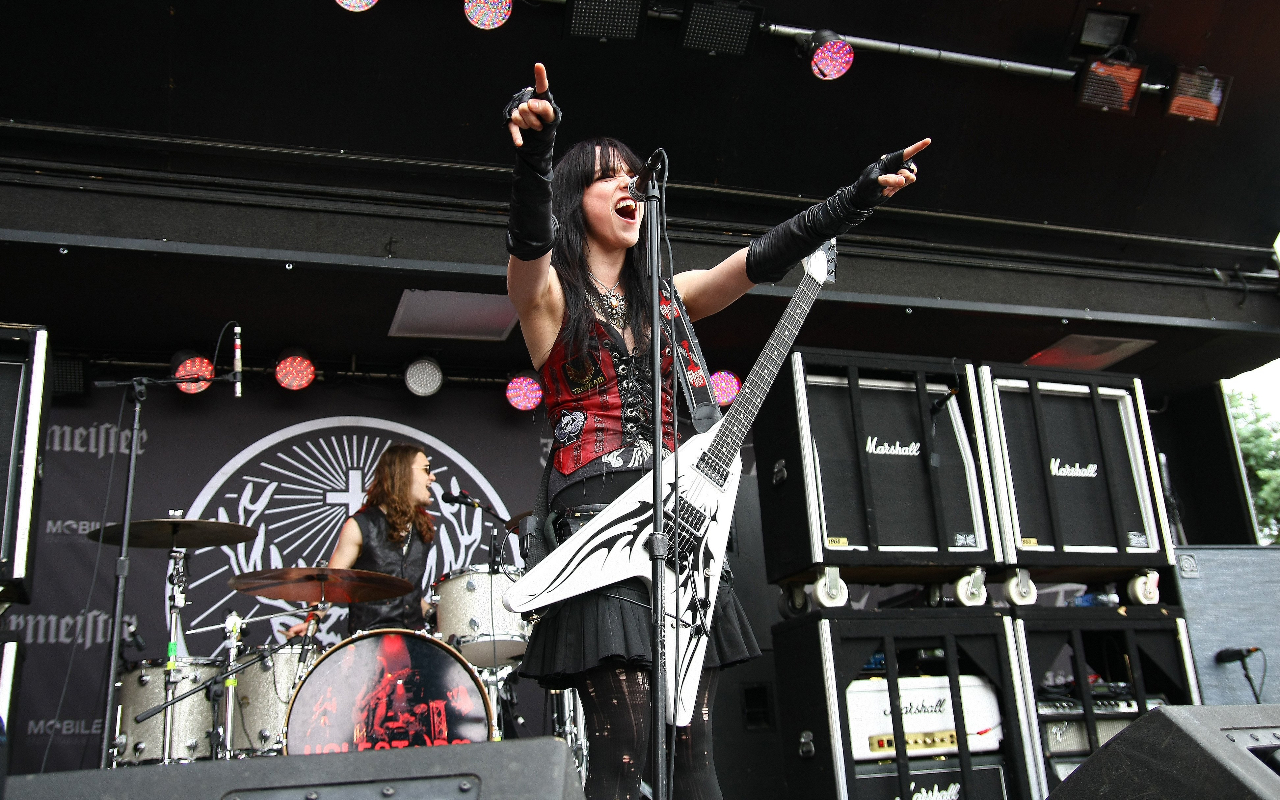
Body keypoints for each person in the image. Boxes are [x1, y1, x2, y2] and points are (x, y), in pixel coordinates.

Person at [503, 63, 928, 800]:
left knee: (697, 753)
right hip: (603, 526)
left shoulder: (670, 296)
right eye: (608, 178)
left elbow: (760, 258)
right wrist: (537, 156)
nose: (629, 186)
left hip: (682, 526)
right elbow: (528, 241)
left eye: (636, 175)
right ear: (576, 198)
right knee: (624, 754)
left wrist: (854, 199)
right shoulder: (546, 297)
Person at [286, 443, 437, 639]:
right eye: (426, 470)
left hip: (414, 644)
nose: (432, 477)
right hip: (370, 645)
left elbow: (407, 595)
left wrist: (434, 616)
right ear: (402, 474)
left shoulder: (420, 528)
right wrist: (312, 620)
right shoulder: (361, 526)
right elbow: (331, 585)